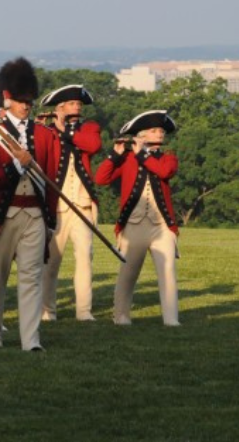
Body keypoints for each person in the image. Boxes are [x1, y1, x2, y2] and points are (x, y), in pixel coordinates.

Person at [0, 57, 58, 351]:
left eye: (30, 101)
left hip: (35, 214)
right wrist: (15, 167)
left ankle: (30, 340)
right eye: (21, 100)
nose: (26, 106)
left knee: (32, 278)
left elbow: (50, 182)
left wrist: (51, 222)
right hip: (3, 216)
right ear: (7, 98)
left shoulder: (45, 136)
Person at [95, 110, 181, 327]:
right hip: (133, 225)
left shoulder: (168, 156)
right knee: (128, 274)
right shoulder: (127, 159)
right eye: (154, 130)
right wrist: (115, 155)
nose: (160, 134)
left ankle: (171, 319)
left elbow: (164, 172)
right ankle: (121, 317)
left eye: (161, 130)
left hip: (162, 226)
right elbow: (101, 178)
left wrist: (142, 154)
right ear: (140, 136)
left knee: (167, 271)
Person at [38, 85, 102, 322]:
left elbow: (93, 145)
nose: (77, 108)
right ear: (60, 107)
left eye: (78, 104)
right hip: (57, 206)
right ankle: (47, 310)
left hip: (82, 204)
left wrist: (66, 131)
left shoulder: (89, 128)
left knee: (85, 256)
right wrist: (48, 127)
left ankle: (84, 311)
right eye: (72, 104)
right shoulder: (47, 131)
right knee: (52, 261)